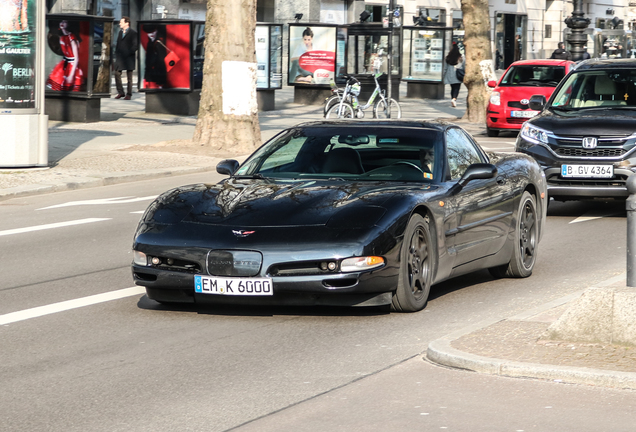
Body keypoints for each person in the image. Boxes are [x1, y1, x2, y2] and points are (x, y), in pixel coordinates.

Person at [46, 20, 84, 92]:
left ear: (69, 24)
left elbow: (76, 58)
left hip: (72, 66)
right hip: (65, 64)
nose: (62, 24)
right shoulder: (62, 38)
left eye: (65, 22)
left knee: (69, 87)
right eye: (61, 22)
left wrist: (71, 74)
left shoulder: (72, 38)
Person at [114, 16, 138, 100]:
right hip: (120, 58)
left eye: (121, 22)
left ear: (126, 23)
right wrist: (116, 54)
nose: (119, 23)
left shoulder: (133, 33)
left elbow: (135, 46)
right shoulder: (120, 33)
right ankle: (120, 92)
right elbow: (118, 44)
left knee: (129, 77)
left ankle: (129, 94)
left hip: (129, 58)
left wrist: (128, 53)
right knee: (117, 73)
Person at [142, 24, 167, 89]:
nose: (151, 34)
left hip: (157, 71)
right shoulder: (151, 42)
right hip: (153, 71)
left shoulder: (158, 41)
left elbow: (161, 61)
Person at [443, 42, 464, 108]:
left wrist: (443, 76)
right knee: (457, 88)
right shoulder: (461, 57)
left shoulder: (448, 58)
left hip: (450, 75)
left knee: (452, 88)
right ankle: (454, 98)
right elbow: (464, 66)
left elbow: (445, 68)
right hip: (458, 74)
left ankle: (453, 98)